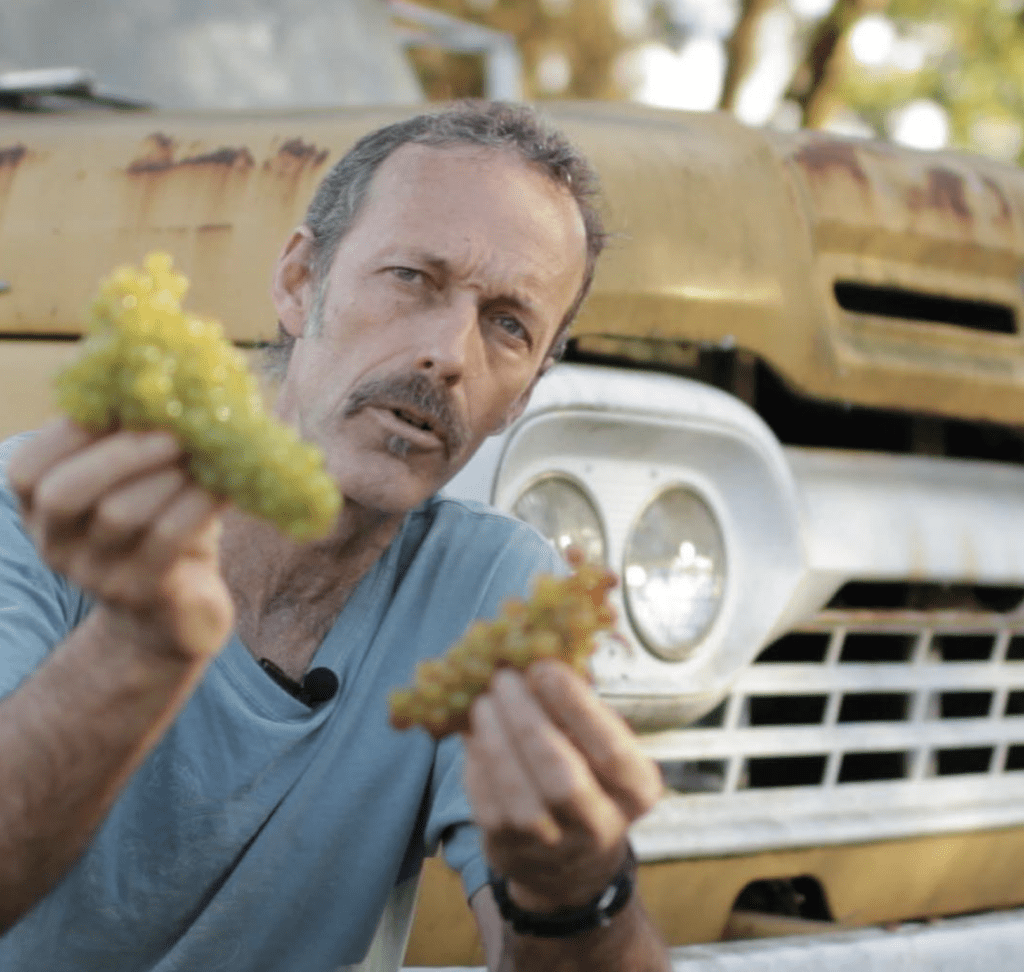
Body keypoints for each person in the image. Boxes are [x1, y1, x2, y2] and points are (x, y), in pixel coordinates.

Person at [0, 101, 670, 971]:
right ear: (299, 281)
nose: (449, 354)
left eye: (509, 324)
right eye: (411, 278)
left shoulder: (493, 593)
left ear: (524, 395)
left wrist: (580, 890)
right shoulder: (46, 511)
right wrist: (136, 650)